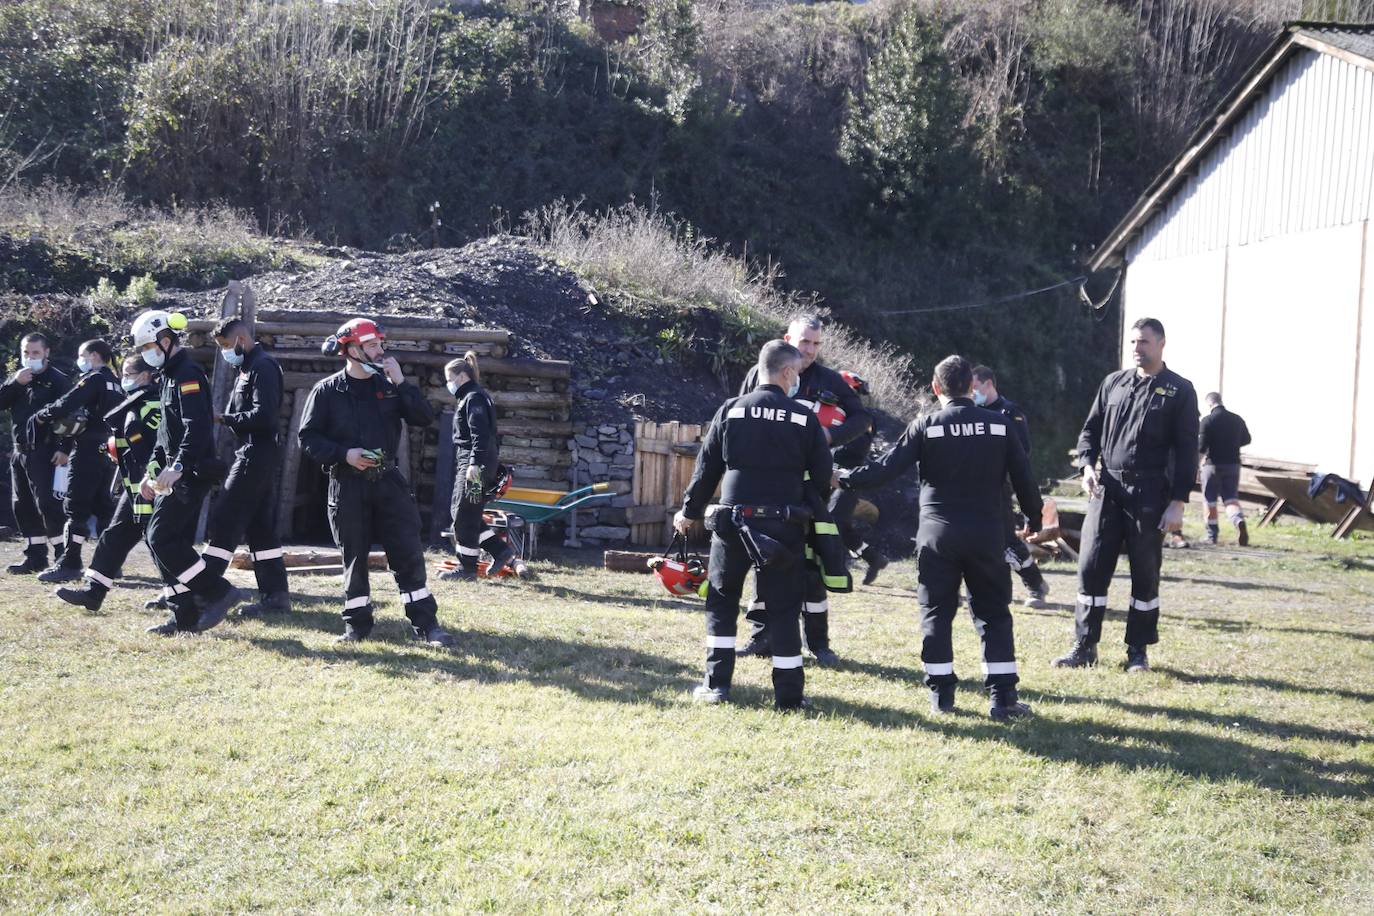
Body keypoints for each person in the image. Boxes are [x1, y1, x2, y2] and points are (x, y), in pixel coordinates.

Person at [839, 355, 1042, 719]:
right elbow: (1024, 477)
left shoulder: (926, 425)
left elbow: (886, 469)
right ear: (971, 387)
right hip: (986, 532)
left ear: (936, 389)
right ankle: (1002, 699)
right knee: (993, 614)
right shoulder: (999, 425)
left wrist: (846, 477)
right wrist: (1033, 515)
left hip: (937, 535)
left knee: (935, 612)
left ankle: (942, 697)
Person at [675, 339, 835, 709]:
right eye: (797, 372)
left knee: (722, 602)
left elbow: (706, 470)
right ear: (787, 372)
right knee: (783, 607)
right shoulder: (803, 418)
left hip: (733, 524)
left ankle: (716, 686)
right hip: (784, 526)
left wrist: (689, 512)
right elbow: (822, 475)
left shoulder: (730, 411)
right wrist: (810, 511)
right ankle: (790, 697)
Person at [298, 318, 454, 646]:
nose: (380, 351)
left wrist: (402, 384)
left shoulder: (388, 386)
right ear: (351, 350)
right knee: (354, 556)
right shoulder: (326, 391)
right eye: (371, 345)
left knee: (408, 551)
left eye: (381, 344)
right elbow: (307, 439)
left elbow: (423, 418)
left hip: (388, 483)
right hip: (347, 485)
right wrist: (344, 454)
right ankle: (357, 625)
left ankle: (427, 626)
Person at [1055, 317, 1199, 673]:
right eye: (1133, 342)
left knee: (1145, 573)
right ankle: (1084, 645)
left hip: (1150, 492)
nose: (1137, 349)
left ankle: (1138, 651)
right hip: (1108, 488)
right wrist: (1088, 467)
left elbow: (1186, 453)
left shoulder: (1179, 390)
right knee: (1091, 567)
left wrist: (1177, 503)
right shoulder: (1113, 384)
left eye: (1144, 342)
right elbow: (1089, 432)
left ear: (1161, 344)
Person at [736, 315, 873, 666]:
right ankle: (760, 638)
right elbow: (741, 416)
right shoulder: (760, 373)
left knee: (812, 564)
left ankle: (819, 643)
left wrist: (829, 438)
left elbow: (861, 420)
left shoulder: (830, 380)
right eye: (804, 342)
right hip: (767, 485)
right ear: (788, 339)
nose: (809, 350)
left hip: (812, 488)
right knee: (764, 558)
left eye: (815, 344)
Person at [132, 310, 243, 635]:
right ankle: (184, 616)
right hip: (172, 472)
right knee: (164, 541)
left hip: (190, 472)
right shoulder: (168, 374)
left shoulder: (187, 374)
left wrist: (178, 466)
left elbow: (197, 428)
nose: (144, 355)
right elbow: (166, 432)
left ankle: (218, 591)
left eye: (147, 348)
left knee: (161, 537)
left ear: (165, 341)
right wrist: (150, 473)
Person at [197, 316, 291, 616]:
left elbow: (264, 415)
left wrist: (223, 419)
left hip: (256, 452)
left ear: (240, 339)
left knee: (225, 519)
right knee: (260, 528)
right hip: (252, 450)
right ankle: (276, 598)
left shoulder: (262, 367)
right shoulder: (248, 366)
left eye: (226, 345)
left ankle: (206, 591)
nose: (225, 352)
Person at [54, 354, 162, 611]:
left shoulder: (150, 404)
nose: (123, 379)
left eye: (128, 373)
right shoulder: (139, 401)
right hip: (135, 486)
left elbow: (155, 446)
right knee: (114, 537)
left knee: (161, 541)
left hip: (151, 485)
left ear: (145, 376)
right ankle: (94, 593)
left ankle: (196, 593)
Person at [32, 339, 121, 583]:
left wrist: (43, 415)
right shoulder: (116, 382)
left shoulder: (95, 379)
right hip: (110, 450)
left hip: (89, 448)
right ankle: (109, 564)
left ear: (93, 355)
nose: (79, 360)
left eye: (82, 355)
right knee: (103, 506)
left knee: (76, 507)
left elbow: (69, 401)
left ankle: (70, 563)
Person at [971, 365, 1050, 608]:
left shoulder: (1010, 412)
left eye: (975, 387)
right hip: (972, 486)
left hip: (999, 486)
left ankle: (1035, 586)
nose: (972, 392)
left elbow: (1022, 452)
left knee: (1007, 541)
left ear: (988, 384)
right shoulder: (970, 411)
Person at [439, 351, 518, 581]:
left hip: (475, 466)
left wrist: (474, 463)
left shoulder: (473, 398)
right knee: (465, 512)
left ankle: (467, 569)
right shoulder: (473, 396)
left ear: (461, 377)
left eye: (449, 379)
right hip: (476, 463)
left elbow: (480, 435)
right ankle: (500, 551)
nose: (448, 384)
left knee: (463, 514)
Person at [0, 332, 71, 574]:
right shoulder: (18, 379)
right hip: (20, 453)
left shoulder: (58, 380)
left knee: (49, 506)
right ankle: (36, 556)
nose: (30, 358)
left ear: (46, 353)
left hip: (47, 452)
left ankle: (65, 556)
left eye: (35, 353)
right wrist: (14, 384)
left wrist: (65, 448)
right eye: (26, 353)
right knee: (22, 505)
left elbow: (73, 416)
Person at [1198, 392, 1252, 546]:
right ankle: (1238, 520)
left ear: (1209, 403)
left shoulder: (1207, 421)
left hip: (1212, 465)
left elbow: (1201, 447)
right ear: (1221, 401)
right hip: (1233, 464)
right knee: (1230, 499)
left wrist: (1195, 466)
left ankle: (1211, 535)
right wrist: (1232, 445)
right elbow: (1247, 439)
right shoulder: (1237, 419)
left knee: (1210, 500)